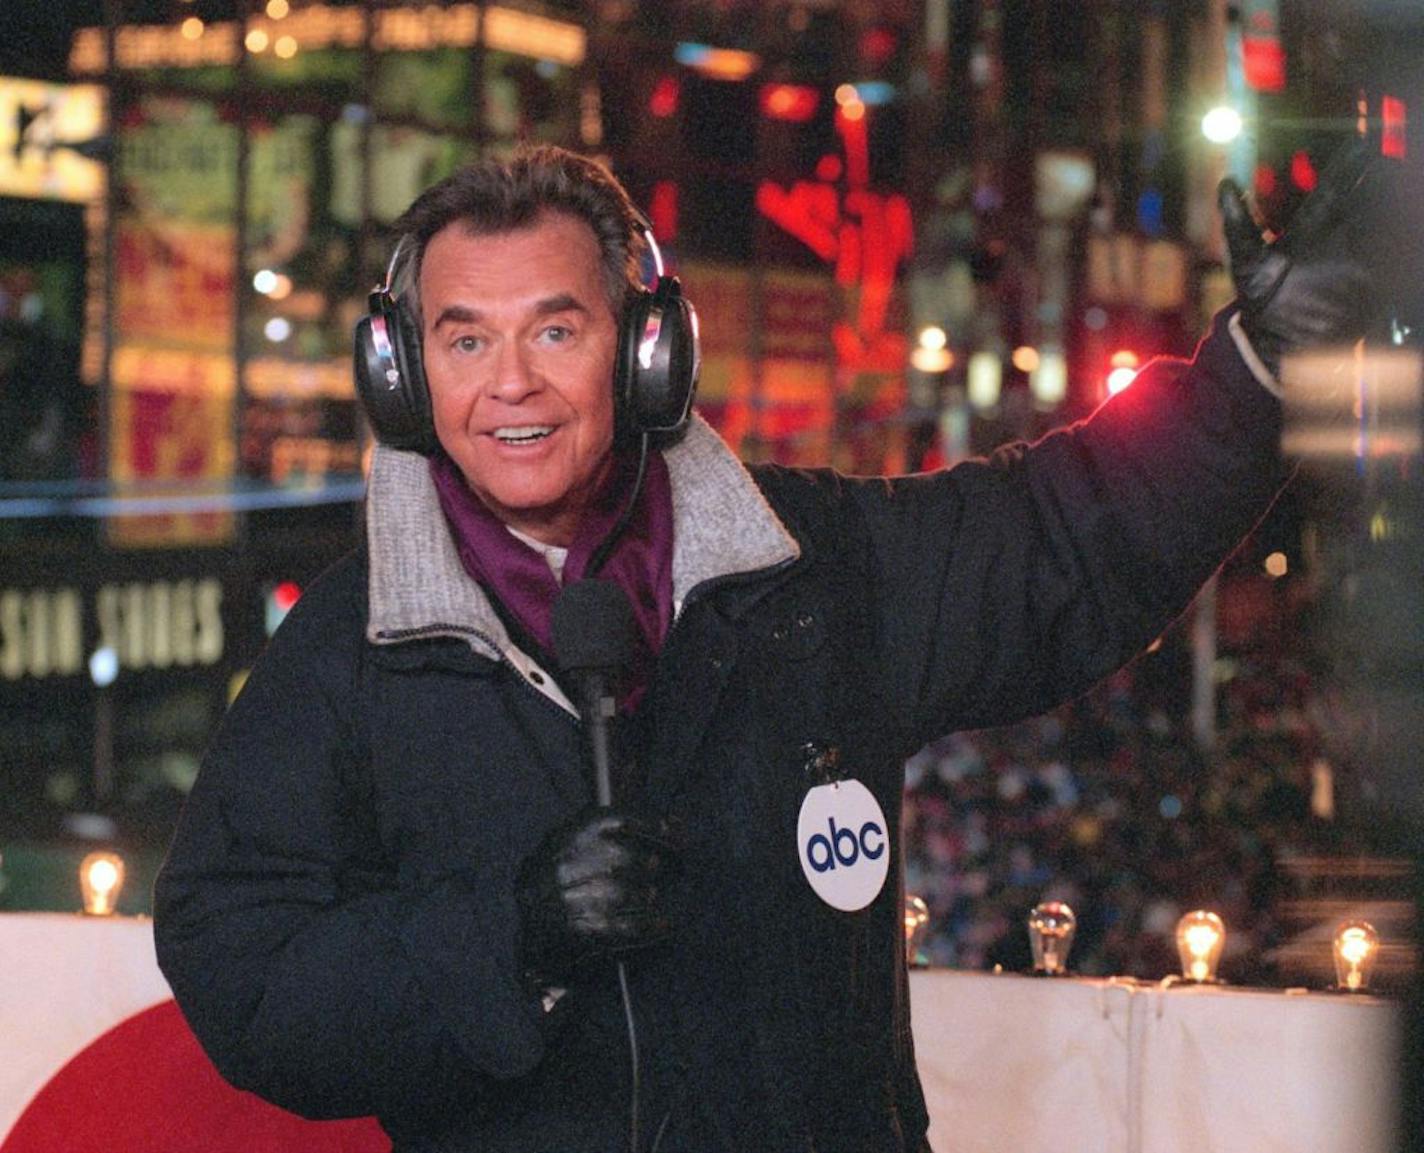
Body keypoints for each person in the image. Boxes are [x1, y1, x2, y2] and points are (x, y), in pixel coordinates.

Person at [154, 141, 1386, 1152]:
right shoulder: (351, 644)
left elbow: (1065, 538)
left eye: (555, 331)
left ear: (648, 349)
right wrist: (510, 934)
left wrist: (1256, 376)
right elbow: (244, 968)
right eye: (465, 339)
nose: (509, 386)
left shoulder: (817, 566)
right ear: (404, 374)